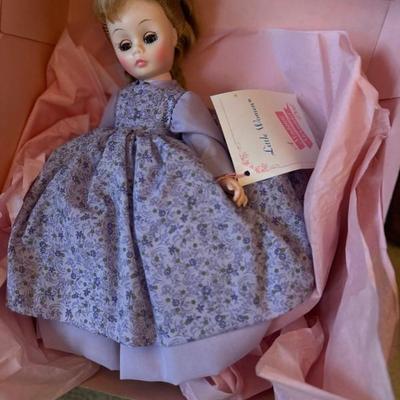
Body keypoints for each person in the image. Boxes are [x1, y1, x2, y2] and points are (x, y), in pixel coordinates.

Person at [7, 0, 315, 386]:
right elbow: (103, 133)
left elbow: (203, 141)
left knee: (174, 244)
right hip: (110, 180)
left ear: (176, 34)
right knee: (93, 239)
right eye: (124, 44)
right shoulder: (121, 98)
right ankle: (88, 325)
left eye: (148, 37)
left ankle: (183, 347)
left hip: (164, 182)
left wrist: (224, 176)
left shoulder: (180, 100)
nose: (136, 51)